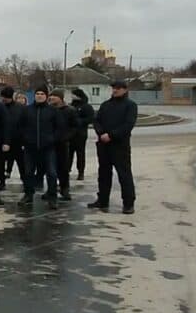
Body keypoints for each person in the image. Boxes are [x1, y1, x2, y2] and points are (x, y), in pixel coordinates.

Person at [89, 80, 138, 214]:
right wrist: (101, 133)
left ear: (125, 90)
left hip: (120, 146)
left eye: (118, 88)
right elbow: (97, 121)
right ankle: (103, 200)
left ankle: (128, 203)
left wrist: (111, 135)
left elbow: (128, 125)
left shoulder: (130, 106)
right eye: (113, 88)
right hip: (104, 145)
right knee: (104, 174)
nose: (115, 90)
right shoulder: (106, 105)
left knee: (124, 174)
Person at [19, 86, 62, 209]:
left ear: (46, 96)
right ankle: (28, 195)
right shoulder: (27, 110)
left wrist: (52, 139)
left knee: (52, 173)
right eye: (37, 93)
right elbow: (20, 126)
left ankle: (52, 197)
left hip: (48, 148)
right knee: (28, 172)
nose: (39, 95)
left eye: (42, 93)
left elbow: (59, 128)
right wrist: (25, 139)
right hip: (30, 148)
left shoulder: (53, 111)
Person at [49, 88, 79, 201]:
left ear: (60, 98)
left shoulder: (69, 110)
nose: (51, 98)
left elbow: (75, 126)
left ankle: (64, 188)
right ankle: (51, 190)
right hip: (50, 143)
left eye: (54, 96)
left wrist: (67, 137)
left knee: (63, 167)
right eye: (50, 96)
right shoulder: (48, 110)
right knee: (50, 168)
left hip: (63, 143)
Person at [0, 87, 24, 190]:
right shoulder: (0, 107)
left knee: (21, 163)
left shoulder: (20, 108)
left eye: (7, 97)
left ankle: (25, 180)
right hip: (2, 140)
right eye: (3, 97)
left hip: (17, 140)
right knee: (0, 163)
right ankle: (1, 181)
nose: (5, 99)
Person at [70, 88, 95, 181]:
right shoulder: (71, 106)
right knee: (68, 154)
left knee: (80, 154)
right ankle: (67, 170)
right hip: (69, 134)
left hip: (80, 134)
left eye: (73, 94)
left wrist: (79, 121)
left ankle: (81, 172)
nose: (72, 96)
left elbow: (90, 118)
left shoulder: (86, 106)